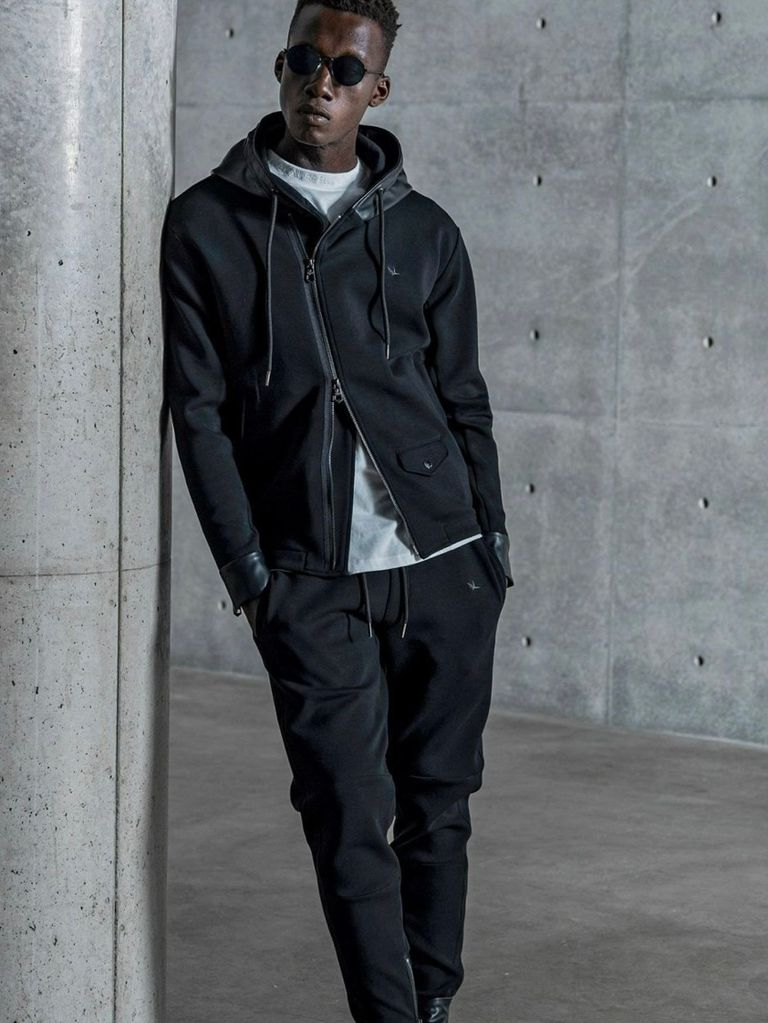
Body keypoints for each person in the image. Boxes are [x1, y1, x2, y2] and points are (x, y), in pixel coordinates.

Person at [161, 2, 513, 1020]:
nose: (321, 85)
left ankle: (432, 999)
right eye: (303, 61)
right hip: (306, 576)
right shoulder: (207, 223)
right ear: (281, 68)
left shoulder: (425, 231)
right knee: (347, 816)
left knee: (439, 803)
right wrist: (248, 573)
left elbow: (465, 398)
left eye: (346, 71)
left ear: (377, 89)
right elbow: (199, 411)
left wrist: (490, 544)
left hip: (442, 563)